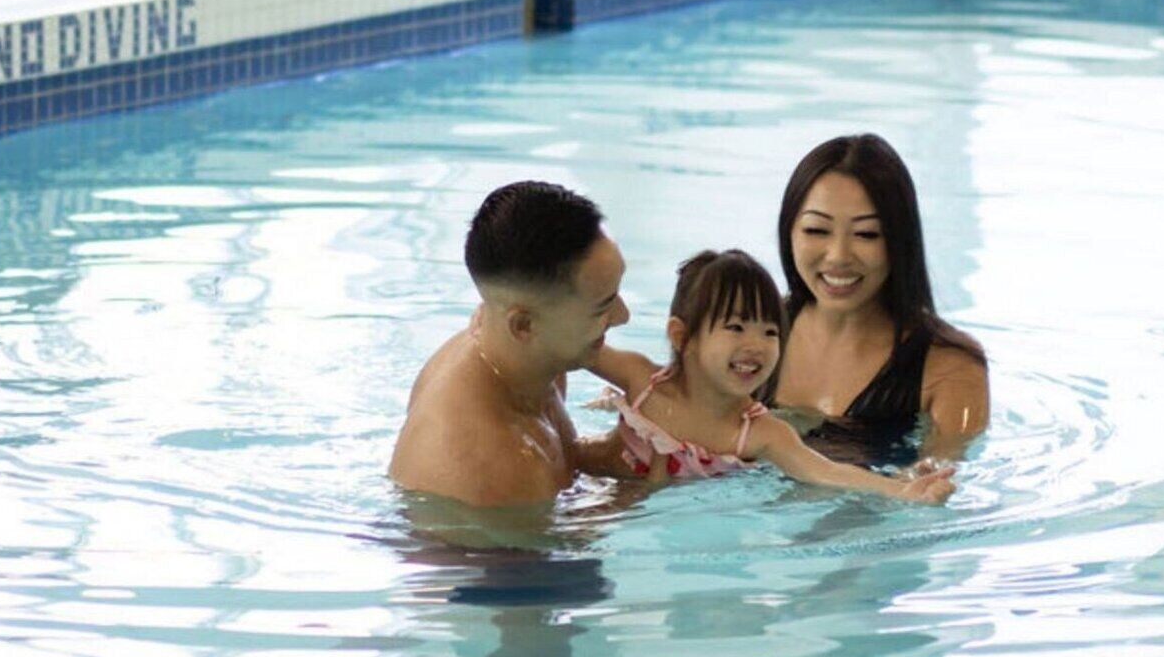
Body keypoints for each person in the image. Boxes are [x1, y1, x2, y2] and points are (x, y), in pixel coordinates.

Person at [585, 250, 956, 503]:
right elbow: (569, 345)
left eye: (770, 332)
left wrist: (901, 490)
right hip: (592, 481)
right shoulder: (641, 380)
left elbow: (824, 471)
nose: (756, 345)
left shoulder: (760, 433)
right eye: (735, 327)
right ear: (683, 337)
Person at [388, 180, 632, 510]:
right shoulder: (492, 471)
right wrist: (641, 493)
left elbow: (566, 461)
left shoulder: (528, 352)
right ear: (524, 325)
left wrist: (617, 451)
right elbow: (553, 556)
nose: (623, 316)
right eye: (602, 306)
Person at [772, 134, 991, 456]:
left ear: (900, 241)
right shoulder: (745, 329)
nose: (838, 256)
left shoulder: (950, 366)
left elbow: (934, 487)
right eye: (816, 230)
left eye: (866, 234)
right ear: (789, 231)